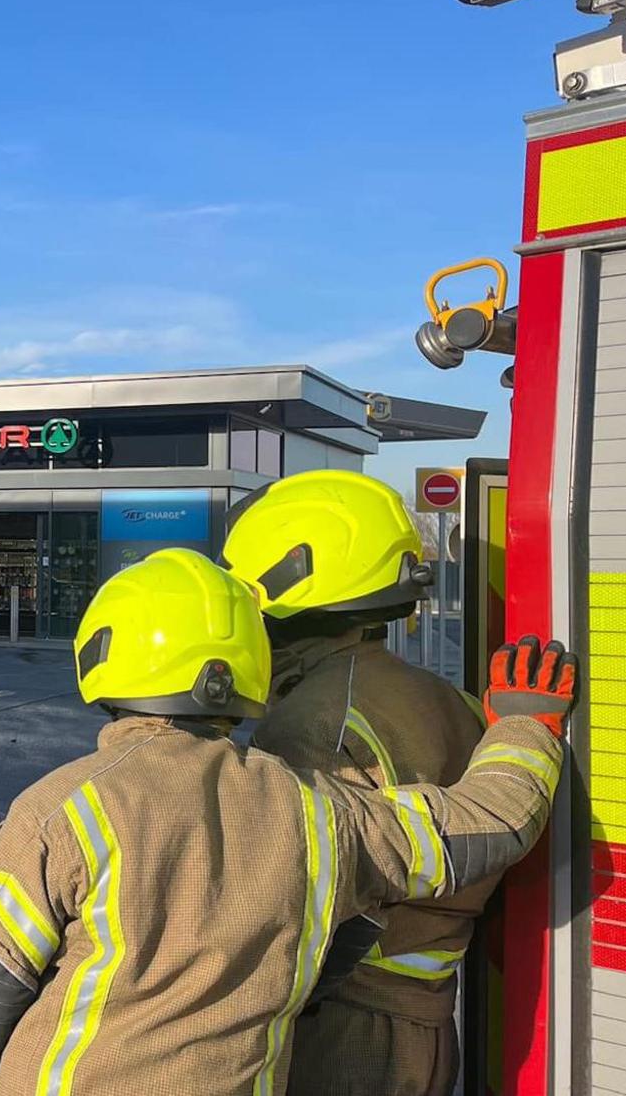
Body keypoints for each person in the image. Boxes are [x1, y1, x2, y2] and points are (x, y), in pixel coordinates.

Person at [0, 548, 575, 1096]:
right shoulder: (321, 814)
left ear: (102, 655)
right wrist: (525, 723)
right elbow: (487, 822)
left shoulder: (64, 809)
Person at [222, 469, 493, 1096]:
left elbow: (284, 897)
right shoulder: (451, 699)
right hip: (427, 1022)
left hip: (342, 1028)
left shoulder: (311, 718)